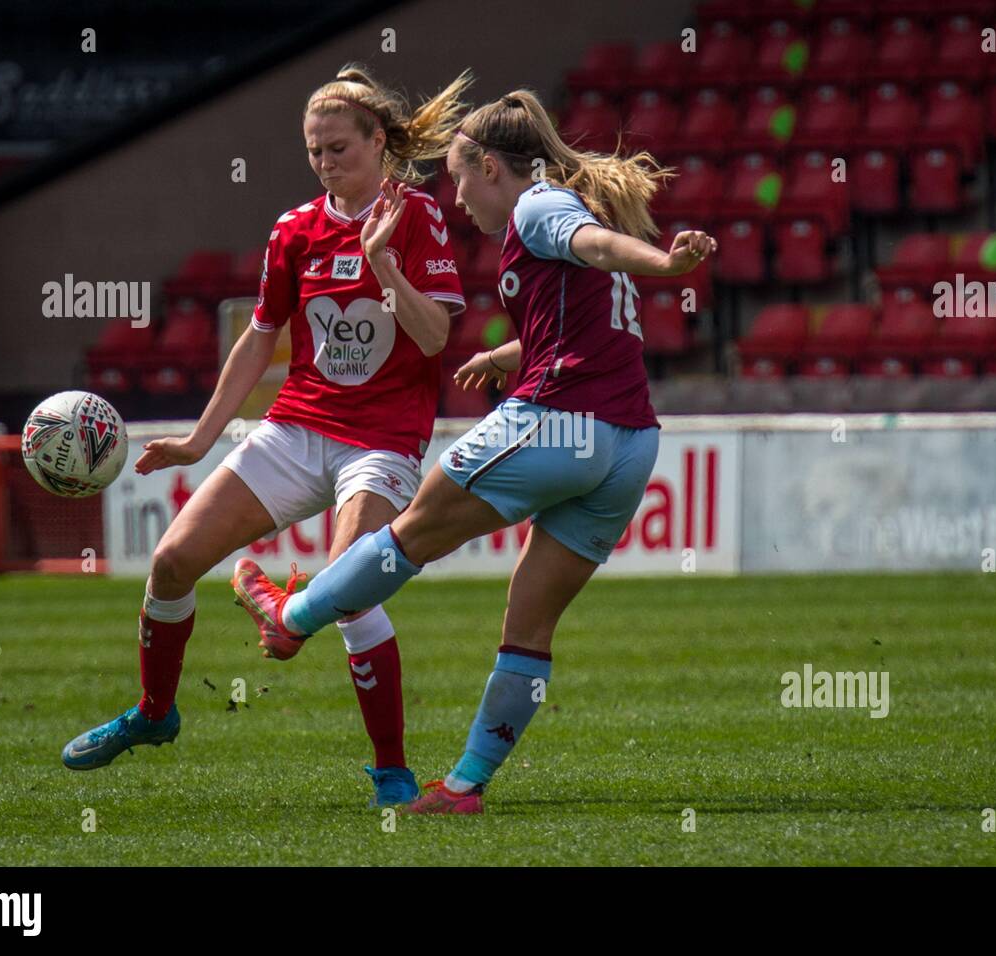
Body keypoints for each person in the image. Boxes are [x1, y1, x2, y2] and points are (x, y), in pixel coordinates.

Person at [232, 89, 716, 813]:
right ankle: (464, 786)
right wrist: (506, 353)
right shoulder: (558, 210)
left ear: (491, 166)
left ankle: (292, 616)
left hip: (559, 423)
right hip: (628, 446)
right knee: (528, 621)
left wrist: (665, 263)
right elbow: (587, 326)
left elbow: (597, 247)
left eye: (460, 178)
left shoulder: (537, 207)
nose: (457, 199)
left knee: (408, 534)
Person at [61, 64, 472, 809]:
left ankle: (390, 770)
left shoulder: (417, 218)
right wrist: (197, 441)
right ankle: (156, 714)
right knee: (173, 560)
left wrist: (383, 261)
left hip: (382, 439)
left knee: (349, 586)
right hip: (298, 426)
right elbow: (259, 340)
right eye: (314, 151)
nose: (325, 163)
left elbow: (436, 335)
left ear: (379, 141)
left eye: (339, 148)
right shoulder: (294, 229)